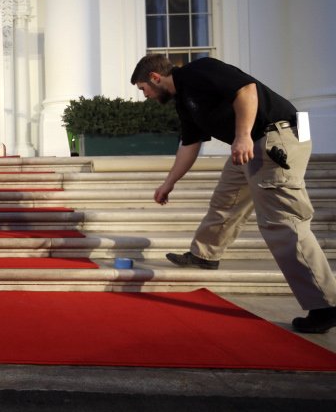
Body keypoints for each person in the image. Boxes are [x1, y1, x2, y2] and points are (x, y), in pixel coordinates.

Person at [131, 54, 336, 333]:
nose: (146, 96)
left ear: (155, 78)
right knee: (227, 197)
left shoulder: (199, 70)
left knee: (284, 222)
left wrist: (242, 136)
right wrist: (169, 183)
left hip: (277, 136)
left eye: (144, 89)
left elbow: (246, 89)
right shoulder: (185, 102)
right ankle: (205, 254)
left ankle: (325, 304)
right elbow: (189, 145)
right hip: (255, 142)